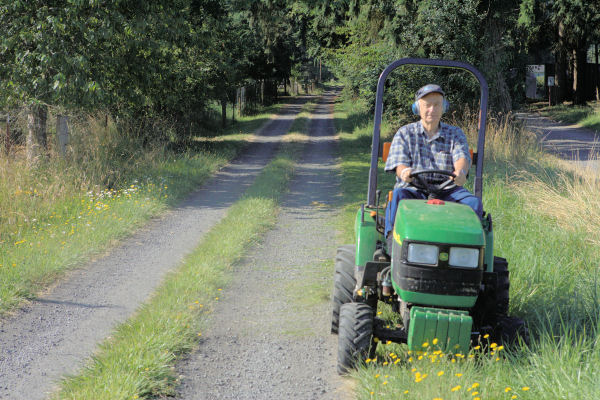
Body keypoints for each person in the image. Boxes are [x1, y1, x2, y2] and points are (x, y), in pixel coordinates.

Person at [384, 84, 483, 240]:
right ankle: (392, 241)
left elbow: (461, 157)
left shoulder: (455, 133)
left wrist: (461, 172)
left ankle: (466, 247)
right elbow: (399, 163)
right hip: (414, 189)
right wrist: (404, 172)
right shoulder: (405, 133)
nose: (432, 109)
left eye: (437, 105)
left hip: (447, 190)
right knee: (398, 196)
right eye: (427, 105)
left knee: (473, 203)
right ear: (417, 108)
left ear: (443, 107)